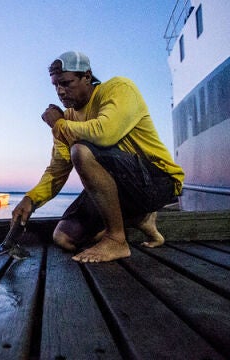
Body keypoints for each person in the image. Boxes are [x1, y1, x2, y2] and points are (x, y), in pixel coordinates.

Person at [11, 51, 184, 263]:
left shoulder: (120, 89)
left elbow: (104, 132)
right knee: (63, 237)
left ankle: (116, 239)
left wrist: (58, 124)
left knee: (81, 151)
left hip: (158, 181)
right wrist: (30, 200)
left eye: (66, 83)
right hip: (122, 189)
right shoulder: (68, 120)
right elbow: (57, 170)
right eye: (55, 85)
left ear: (87, 76)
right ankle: (137, 218)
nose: (60, 92)